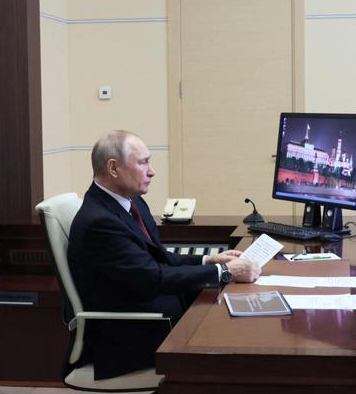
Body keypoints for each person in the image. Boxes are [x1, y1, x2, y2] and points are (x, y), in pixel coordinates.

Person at [67, 130, 260, 379]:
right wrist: (224, 273)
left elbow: (157, 258)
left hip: (149, 313)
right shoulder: (99, 222)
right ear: (113, 168)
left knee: (226, 317)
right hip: (129, 335)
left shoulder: (131, 203)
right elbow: (152, 278)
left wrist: (209, 261)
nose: (152, 171)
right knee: (226, 335)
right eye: (143, 162)